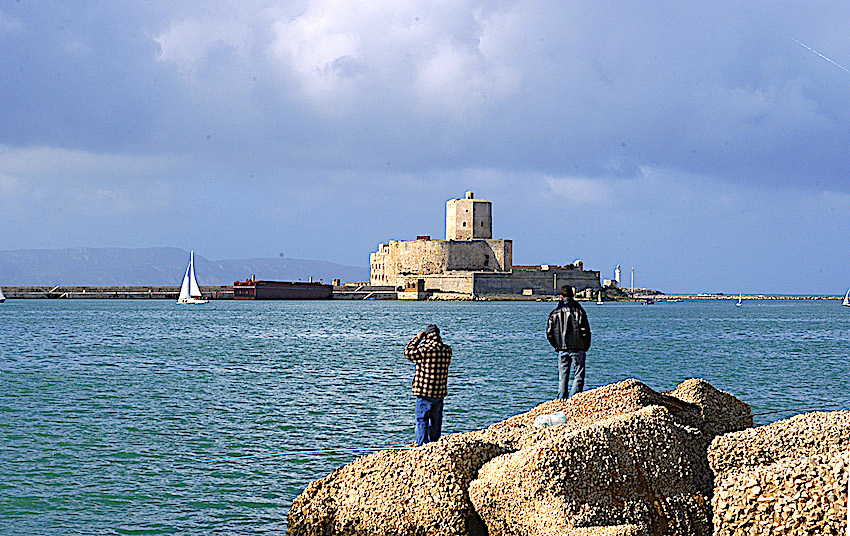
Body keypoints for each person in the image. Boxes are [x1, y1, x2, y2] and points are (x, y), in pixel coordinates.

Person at [404, 324, 452, 446]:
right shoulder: (447, 350)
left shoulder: (423, 350)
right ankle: (434, 445)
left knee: (421, 420)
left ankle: (422, 446)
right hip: (439, 393)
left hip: (424, 393)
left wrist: (417, 338)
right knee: (436, 422)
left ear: (428, 335)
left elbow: (407, 352)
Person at [546, 285, 592, 399]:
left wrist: (556, 346)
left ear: (561, 296)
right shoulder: (579, 310)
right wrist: (585, 345)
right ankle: (574, 400)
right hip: (578, 347)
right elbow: (585, 331)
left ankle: (561, 401)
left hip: (562, 348)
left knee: (563, 376)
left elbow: (549, 333)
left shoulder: (555, 312)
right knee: (578, 375)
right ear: (573, 295)